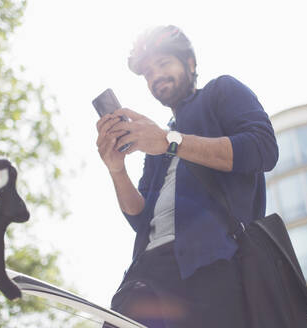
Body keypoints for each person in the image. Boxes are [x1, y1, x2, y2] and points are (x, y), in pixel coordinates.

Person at [96, 25, 278, 328]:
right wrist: (117, 169)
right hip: (144, 275)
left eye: (164, 63)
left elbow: (263, 149)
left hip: (214, 266)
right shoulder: (159, 136)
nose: (155, 76)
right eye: (148, 72)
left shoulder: (222, 91)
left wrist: (171, 142)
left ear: (190, 64)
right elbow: (141, 219)